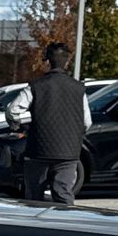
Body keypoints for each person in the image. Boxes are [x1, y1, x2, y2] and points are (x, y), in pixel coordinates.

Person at [9, 40, 89, 206]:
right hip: (68, 152)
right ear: (67, 62)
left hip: (38, 150)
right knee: (63, 194)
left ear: (47, 62)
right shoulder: (79, 88)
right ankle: (64, 221)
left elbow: (13, 111)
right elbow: (87, 122)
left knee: (34, 197)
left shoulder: (36, 86)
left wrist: (21, 126)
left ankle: (35, 221)